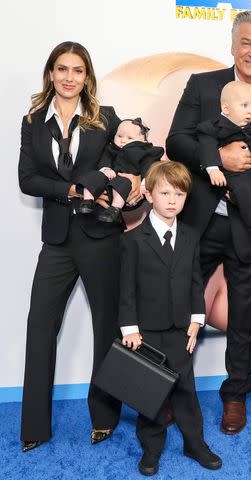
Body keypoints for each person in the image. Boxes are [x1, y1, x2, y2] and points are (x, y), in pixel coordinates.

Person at [166, 10, 251, 434]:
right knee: (178, 306)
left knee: (243, 315)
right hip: (198, 221)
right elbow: (176, 141)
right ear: (232, 44)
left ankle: (235, 395)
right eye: (246, 42)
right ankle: (169, 390)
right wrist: (218, 160)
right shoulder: (203, 86)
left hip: (249, 227)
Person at [17, 41, 142, 452]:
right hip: (56, 240)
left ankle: (104, 417)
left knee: (106, 328)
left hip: (100, 237)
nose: (69, 77)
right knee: (39, 329)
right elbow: (28, 180)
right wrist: (71, 187)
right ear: (50, 73)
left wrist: (133, 184)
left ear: (86, 76)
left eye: (77, 70)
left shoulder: (105, 119)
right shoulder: (34, 120)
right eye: (61, 69)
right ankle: (35, 425)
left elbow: (134, 153)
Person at [119, 161, 222, 476]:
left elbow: (195, 281)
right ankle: (151, 448)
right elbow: (126, 290)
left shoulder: (191, 236)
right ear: (149, 194)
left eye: (179, 194)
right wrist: (130, 329)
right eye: (165, 193)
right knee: (150, 391)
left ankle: (195, 442)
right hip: (146, 330)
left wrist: (197, 319)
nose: (173, 200)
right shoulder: (133, 240)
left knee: (185, 389)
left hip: (181, 329)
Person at [197, 80, 251, 242]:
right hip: (231, 172)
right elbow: (207, 147)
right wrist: (213, 169)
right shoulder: (211, 127)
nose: (250, 111)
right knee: (242, 186)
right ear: (226, 108)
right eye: (245, 105)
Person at [76, 118, 164, 223]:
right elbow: (105, 159)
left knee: (122, 182)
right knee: (93, 176)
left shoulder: (145, 152)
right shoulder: (111, 149)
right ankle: (87, 201)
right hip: (106, 185)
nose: (123, 140)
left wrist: (144, 182)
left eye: (130, 138)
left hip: (127, 190)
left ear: (143, 141)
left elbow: (149, 166)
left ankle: (114, 210)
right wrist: (105, 169)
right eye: (119, 136)